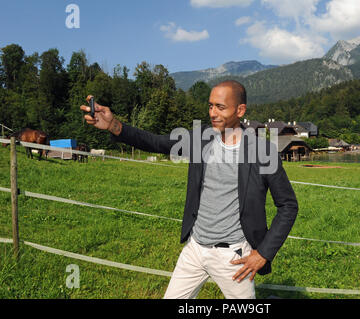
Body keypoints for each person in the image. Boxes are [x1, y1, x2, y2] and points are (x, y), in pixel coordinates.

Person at [80, 80, 298, 299]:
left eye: (220, 107)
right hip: (194, 249)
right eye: (210, 105)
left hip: (233, 257)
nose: (213, 113)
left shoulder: (262, 151)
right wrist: (113, 126)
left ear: (240, 110)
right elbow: (157, 143)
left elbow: (288, 206)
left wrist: (263, 253)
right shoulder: (200, 138)